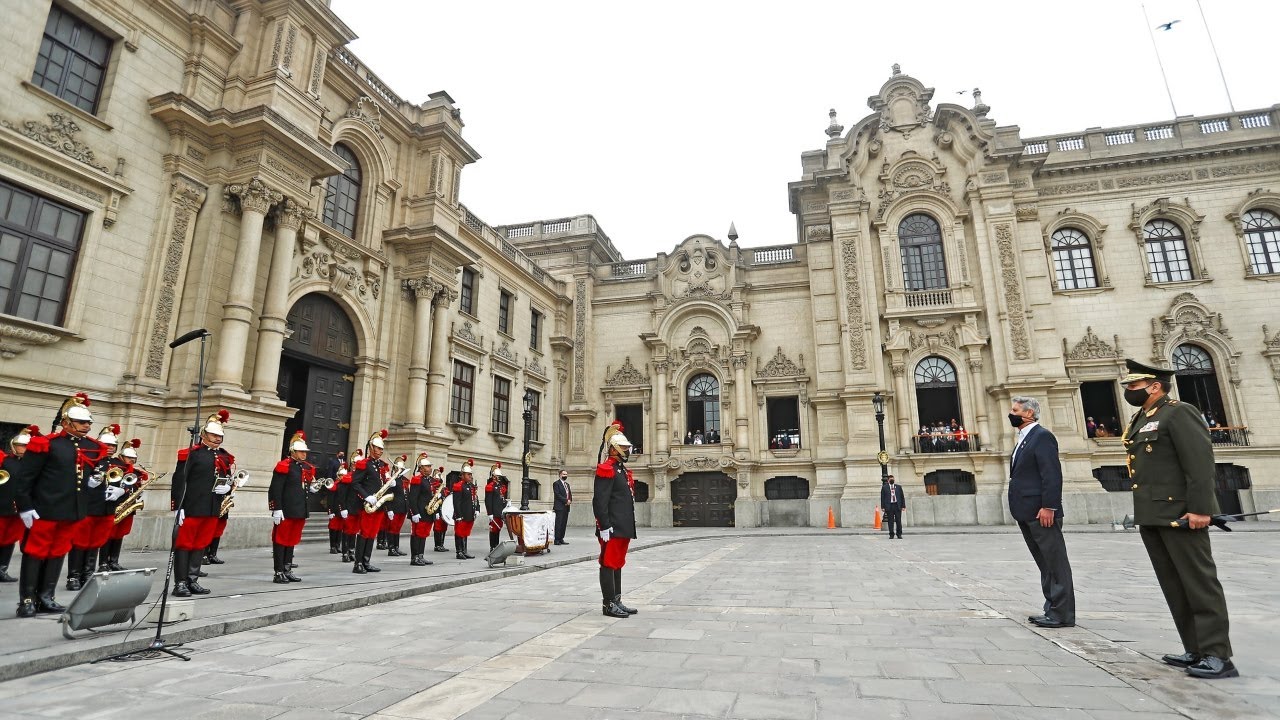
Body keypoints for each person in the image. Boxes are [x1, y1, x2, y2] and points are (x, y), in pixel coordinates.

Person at [1121, 359, 1236, 679]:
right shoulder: (1141, 417)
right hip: (1154, 513)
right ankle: (1195, 647)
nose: (1129, 391)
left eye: (1133, 386)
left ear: (1154, 385)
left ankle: (1218, 654)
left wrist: (1202, 509)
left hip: (1181, 512)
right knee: (1174, 583)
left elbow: (1199, 464)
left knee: (1199, 583)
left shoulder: (1179, 412)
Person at [14, 394, 110, 617]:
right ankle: (27, 599)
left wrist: (94, 481)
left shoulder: (91, 447)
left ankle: (47, 596)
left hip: (71, 510)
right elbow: (26, 478)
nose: (87, 426)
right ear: (66, 423)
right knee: (35, 553)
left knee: (58, 552)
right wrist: (25, 506)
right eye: (82, 422)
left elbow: (83, 476)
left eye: (88, 423)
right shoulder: (46, 444)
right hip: (44, 510)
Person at [1008, 396, 1076, 629]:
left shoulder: (1042, 436)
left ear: (1029, 413)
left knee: (1055, 562)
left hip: (1041, 512)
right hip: (1027, 512)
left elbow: (1051, 474)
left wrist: (1049, 506)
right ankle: (1052, 607)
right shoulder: (1024, 439)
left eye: (1015, 410)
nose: (1011, 412)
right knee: (1045, 562)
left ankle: (1062, 613)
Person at [171, 409, 234, 597]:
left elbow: (227, 479)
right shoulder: (192, 454)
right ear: (203, 435)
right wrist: (178, 506)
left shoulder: (224, 456)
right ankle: (180, 582)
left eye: (220, 436)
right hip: (192, 507)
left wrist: (228, 489)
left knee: (200, 544)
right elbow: (179, 480)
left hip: (212, 507)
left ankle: (193, 579)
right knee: (184, 544)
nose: (217, 439)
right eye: (214, 435)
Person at [66, 423, 122, 590]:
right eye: (107, 444)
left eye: (113, 445)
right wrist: (88, 483)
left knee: (95, 542)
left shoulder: (116, 463)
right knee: (79, 542)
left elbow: (120, 482)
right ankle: (73, 576)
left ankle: (88, 573)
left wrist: (120, 491)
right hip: (89, 507)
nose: (110, 448)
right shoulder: (91, 459)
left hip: (106, 509)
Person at [594, 420, 638, 618]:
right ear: (613, 449)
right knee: (608, 563)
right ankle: (608, 604)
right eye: (624, 447)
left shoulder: (621, 470)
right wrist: (604, 525)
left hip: (622, 526)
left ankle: (617, 599)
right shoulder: (607, 469)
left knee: (618, 562)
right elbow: (600, 501)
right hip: (610, 527)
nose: (628, 450)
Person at [268, 431, 312, 584]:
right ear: (293, 451)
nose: (304, 454)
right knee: (281, 541)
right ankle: (278, 571)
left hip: (299, 511)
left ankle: (287, 569)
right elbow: (275, 489)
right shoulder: (284, 466)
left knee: (291, 540)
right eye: (301, 451)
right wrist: (276, 508)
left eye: (305, 452)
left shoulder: (303, 468)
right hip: (285, 510)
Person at [0, 425, 38, 583]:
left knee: (10, 540)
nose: (24, 448)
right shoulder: (5, 461)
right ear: (13, 446)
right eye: (21, 445)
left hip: (19, 509)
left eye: (27, 446)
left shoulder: (33, 465)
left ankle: (2, 569)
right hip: (2, 506)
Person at [102, 437, 146, 571]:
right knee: (109, 534)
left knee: (119, 534)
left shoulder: (136, 472)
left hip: (128, 506)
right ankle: (103, 562)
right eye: (128, 458)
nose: (131, 461)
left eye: (133, 459)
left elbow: (135, 485)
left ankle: (114, 560)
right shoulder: (114, 466)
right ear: (121, 456)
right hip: (114, 505)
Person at [350, 430, 390, 574]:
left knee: (372, 533)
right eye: (378, 448)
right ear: (371, 448)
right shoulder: (363, 464)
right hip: (367, 504)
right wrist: (366, 496)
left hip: (378, 505)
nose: (380, 451)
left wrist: (389, 482)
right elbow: (355, 483)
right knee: (365, 533)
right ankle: (358, 563)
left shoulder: (381, 465)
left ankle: (366, 561)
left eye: (382, 449)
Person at [405, 453, 436, 566]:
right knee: (417, 534)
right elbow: (412, 498)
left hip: (428, 512)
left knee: (424, 534)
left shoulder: (429, 480)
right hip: (420, 512)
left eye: (430, 466)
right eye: (427, 466)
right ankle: (414, 557)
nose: (430, 468)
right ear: (421, 469)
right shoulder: (417, 480)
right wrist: (414, 513)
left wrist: (435, 511)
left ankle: (421, 556)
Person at [450, 459, 479, 559]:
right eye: (468, 474)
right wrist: (458, 515)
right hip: (461, 514)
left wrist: (476, 510)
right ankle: (459, 552)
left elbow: (474, 498)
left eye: (471, 474)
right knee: (459, 533)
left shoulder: (470, 486)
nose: (470, 476)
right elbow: (456, 502)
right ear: (462, 475)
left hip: (469, 514)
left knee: (465, 533)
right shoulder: (458, 486)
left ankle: (464, 550)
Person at [383, 454, 410, 558]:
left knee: (398, 528)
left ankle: (396, 547)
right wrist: (389, 509)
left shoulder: (404, 479)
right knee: (392, 528)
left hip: (403, 508)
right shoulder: (392, 479)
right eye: (399, 468)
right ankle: (391, 548)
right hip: (394, 508)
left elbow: (406, 493)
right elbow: (387, 495)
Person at [485, 462, 509, 550]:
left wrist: (506, 503)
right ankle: (492, 546)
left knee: (498, 529)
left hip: (499, 512)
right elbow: (488, 501)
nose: (499, 478)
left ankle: (496, 545)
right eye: (498, 476)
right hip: (493, 512)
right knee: (493, 529)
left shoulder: (499, 487)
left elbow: (501, 499)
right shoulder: (490, 486)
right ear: (493, 476)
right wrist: (489, 513)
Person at [880, 475, 906, 539]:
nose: (892, 480)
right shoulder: (884, 487)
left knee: (898, 520)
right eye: (891, 479)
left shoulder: (898, 487)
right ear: (888, 480)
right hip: (889, 506)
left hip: (897, 505)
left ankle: (899, 534)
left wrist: (903, 506)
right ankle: (891, 534)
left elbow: (902, 497)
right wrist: (883, 507)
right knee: (890, 521)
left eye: (893, 479)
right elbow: (882, 498)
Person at [553, 470, 572, 545]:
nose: (565, 475)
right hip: (559, 506)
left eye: (566, 474)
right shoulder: (556, 484)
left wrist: (570, 500)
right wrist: (566, 500)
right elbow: (557, 494)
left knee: (564, 523)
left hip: (566, 507)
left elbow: (569, 493)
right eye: (564, 474)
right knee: (559, 523)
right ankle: (557, 539)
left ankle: (561, 538)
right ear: (560, 475)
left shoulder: (567, 484)